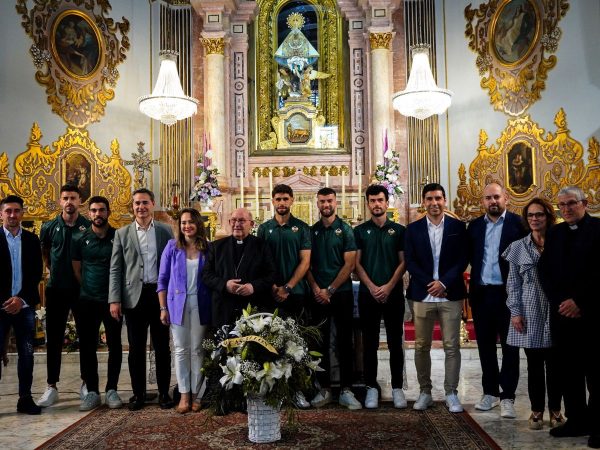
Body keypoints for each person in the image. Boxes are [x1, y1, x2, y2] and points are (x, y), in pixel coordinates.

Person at [539, 186, 600, 448]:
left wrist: (580, 302)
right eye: (561, 205)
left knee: (597, 374)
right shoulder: (555, 233)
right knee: (569, 372)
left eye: (571, 204)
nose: (566, 209)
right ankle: (577, 421)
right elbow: (545, 272)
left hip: (594, 315)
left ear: (585, 203)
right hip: (563, 315)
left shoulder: (599, 229)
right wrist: (561, 302)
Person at [108, 188, 174, 411]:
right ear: (132, 207)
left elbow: (173, 265)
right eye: (137, 203)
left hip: (159, 295)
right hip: (133, 298)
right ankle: (138, 394)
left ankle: (164, 392)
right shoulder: (122, 233)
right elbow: (116, 268)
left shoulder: (165, 231)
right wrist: (114, 300)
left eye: (145, 203)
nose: (141, 207)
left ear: (152, 204)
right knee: (136, 349)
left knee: (162, 347)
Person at [405, 183, 468, 413]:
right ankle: (425, 392)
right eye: (429, 199)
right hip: (423, 295)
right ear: (423, 202)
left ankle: (451, 393)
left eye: (438, 198)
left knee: (452, 346)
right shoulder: (412, 229)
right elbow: (410, 261)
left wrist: (444, 283)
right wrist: (429, 284)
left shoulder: (458, 227)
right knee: (421, 346)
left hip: (450, 294)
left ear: (445, 200)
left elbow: (463, 258)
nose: (434, 203)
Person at [502, 198, 562, 430]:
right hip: (529, 309)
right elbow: (513, 283)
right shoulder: (518, 247)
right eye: (530, 216)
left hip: (555, 308)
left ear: (548, 216)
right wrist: (515, 312)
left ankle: (556, 411)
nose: (535, 219)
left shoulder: (559, 242)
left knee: (556, 364)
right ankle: (536, 410)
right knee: (534, 364)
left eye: (539, 215)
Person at [467, 182, 526, 418]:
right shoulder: (474, 227)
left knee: (510, 348)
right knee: (485, 347)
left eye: (496, 197)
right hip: (482, 294)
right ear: (483, 201)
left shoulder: (518, 224)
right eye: (488, 198)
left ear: (506, 198)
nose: (492, 201)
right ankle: (490, 393)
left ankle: (508, 396)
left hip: (508, 294)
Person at [307, 187, 361, 410]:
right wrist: (317, 288)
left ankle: (346, 389)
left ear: (336, 202)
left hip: (341, 294)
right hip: (318, 295)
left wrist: (329, 289)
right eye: (321, 201)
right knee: (319, 342)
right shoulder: (312, 231)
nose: (325, 205)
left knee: (344, 341)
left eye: (329, 200)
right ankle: (325, 388)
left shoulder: (346, 230)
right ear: (317, 204)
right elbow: (306, 264)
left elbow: (349, 264)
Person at [354, 184, 407, 409]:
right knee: (370, 343)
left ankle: (397, 388)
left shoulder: (399, 230)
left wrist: (387, 286)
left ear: (387, 203)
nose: (377, 204)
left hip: (393, 294)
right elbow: (356, 263)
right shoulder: (359, 231)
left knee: (396, 343)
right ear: (368, 204)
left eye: (380, 200)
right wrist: (372, 286)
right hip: (368, 295)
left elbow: (403, 261)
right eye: (372, 201)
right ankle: (371, 388)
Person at [38, 184, 91, 407]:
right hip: (57, 289)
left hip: (82, 290)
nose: (69, 202)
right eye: (65, 198)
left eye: (73, 198)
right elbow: (46, 256)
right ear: (60, 201)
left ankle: (87, 383)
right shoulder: (49, 227)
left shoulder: (88, 227)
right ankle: (52, 386)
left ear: (80, 201)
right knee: (54, 339)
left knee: (87, 338)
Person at [157, 208, 211, 414]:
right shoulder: (172, 247)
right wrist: (163, 308)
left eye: (190, 222)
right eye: (183, 223)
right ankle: (184, 394)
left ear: (198, 224)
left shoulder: (208, 248)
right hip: (176, 304)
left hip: (201, 303)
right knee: (180, 349)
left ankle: (197, 394)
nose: (187, 226)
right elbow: (162, 280)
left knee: (197, 349)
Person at [71, 196, 123, 411]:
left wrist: (114, 296)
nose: (97, 214)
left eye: (102, 210)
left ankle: (112, 389)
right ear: (89, 213)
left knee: (115, 345)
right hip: (87, 301)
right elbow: (77, 268)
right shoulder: (79, 238)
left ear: (108, 212)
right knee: (87, 346)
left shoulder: (118, 236)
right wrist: (88, 287)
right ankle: (92, 391)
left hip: (112, 301)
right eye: (93, 211)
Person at [0, 195, 43, 414]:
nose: (12, 215)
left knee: (27, 354)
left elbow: (36, 273)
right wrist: (7, 301)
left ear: (22, 213)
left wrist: (21, 299)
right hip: (0, 308)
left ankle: (25, 398)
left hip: (24, 306)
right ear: (1, 214)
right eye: (8, 211)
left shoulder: (32, 240)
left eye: (16, 211)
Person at [202, 208, 275, 329]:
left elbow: (272, 274)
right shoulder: (216, 247)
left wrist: (253, 286)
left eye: (241, 221)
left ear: (251, 224)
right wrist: (225, 285)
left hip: (253, 309)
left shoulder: (262, 246)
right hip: (223, 309)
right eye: (233, 220)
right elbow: (206, 274)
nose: (236, 224)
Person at [257, 184, 311, 320]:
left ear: (292, 200)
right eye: (278, 199)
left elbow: (305, 261)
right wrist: (273, 286)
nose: (282, 203)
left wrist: (287, 287)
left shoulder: (302, 228)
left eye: (285, 199)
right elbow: (260, 261)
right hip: (270, 291)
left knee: (298, 336)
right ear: (273, 201)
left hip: (296, 291)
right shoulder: (264, 228)